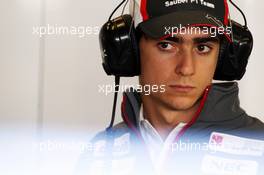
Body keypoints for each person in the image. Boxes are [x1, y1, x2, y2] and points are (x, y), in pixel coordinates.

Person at [75, 0, 264, 174]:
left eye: (202, 47)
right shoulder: (99, 155)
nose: (186, 68)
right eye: (166, 45)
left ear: (223, 57)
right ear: (131, 50)